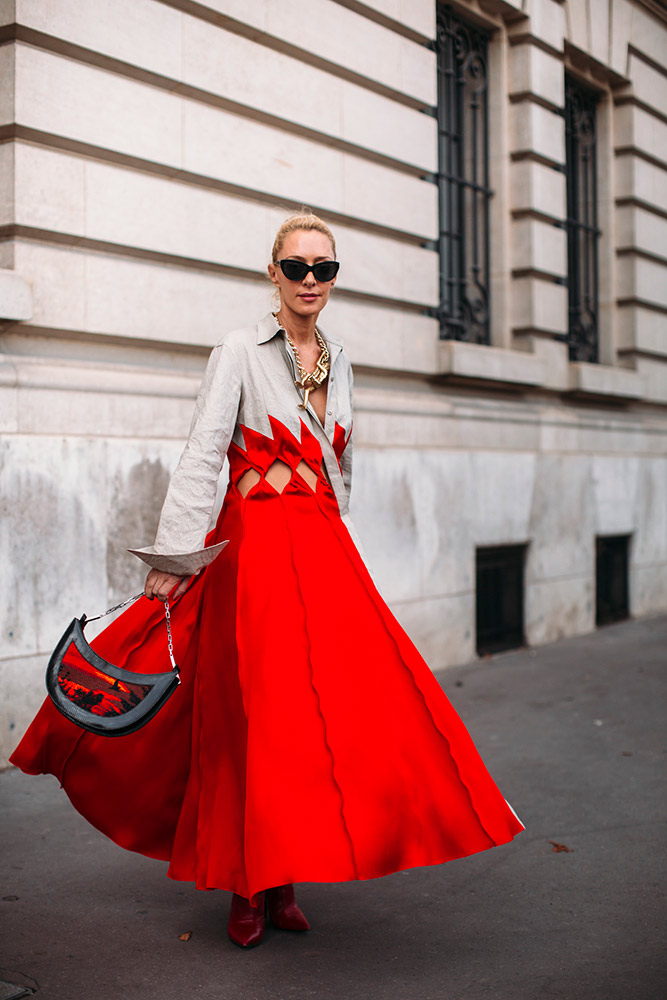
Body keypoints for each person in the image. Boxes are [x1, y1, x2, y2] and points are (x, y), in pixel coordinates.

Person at [10, 213, 523, 948]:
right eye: (296, 267)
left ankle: (287, 872)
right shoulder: (237, 352)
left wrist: (337, 527)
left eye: (324, 268)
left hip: (322, 551)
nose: (310, 281)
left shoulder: (340, 359)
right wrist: (175, 559)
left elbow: (342, 460)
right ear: (271, 273)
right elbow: (202, 453)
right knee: (254, 719)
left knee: (331, 719)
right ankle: (249, 887)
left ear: (334, 278)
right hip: (252, 554)